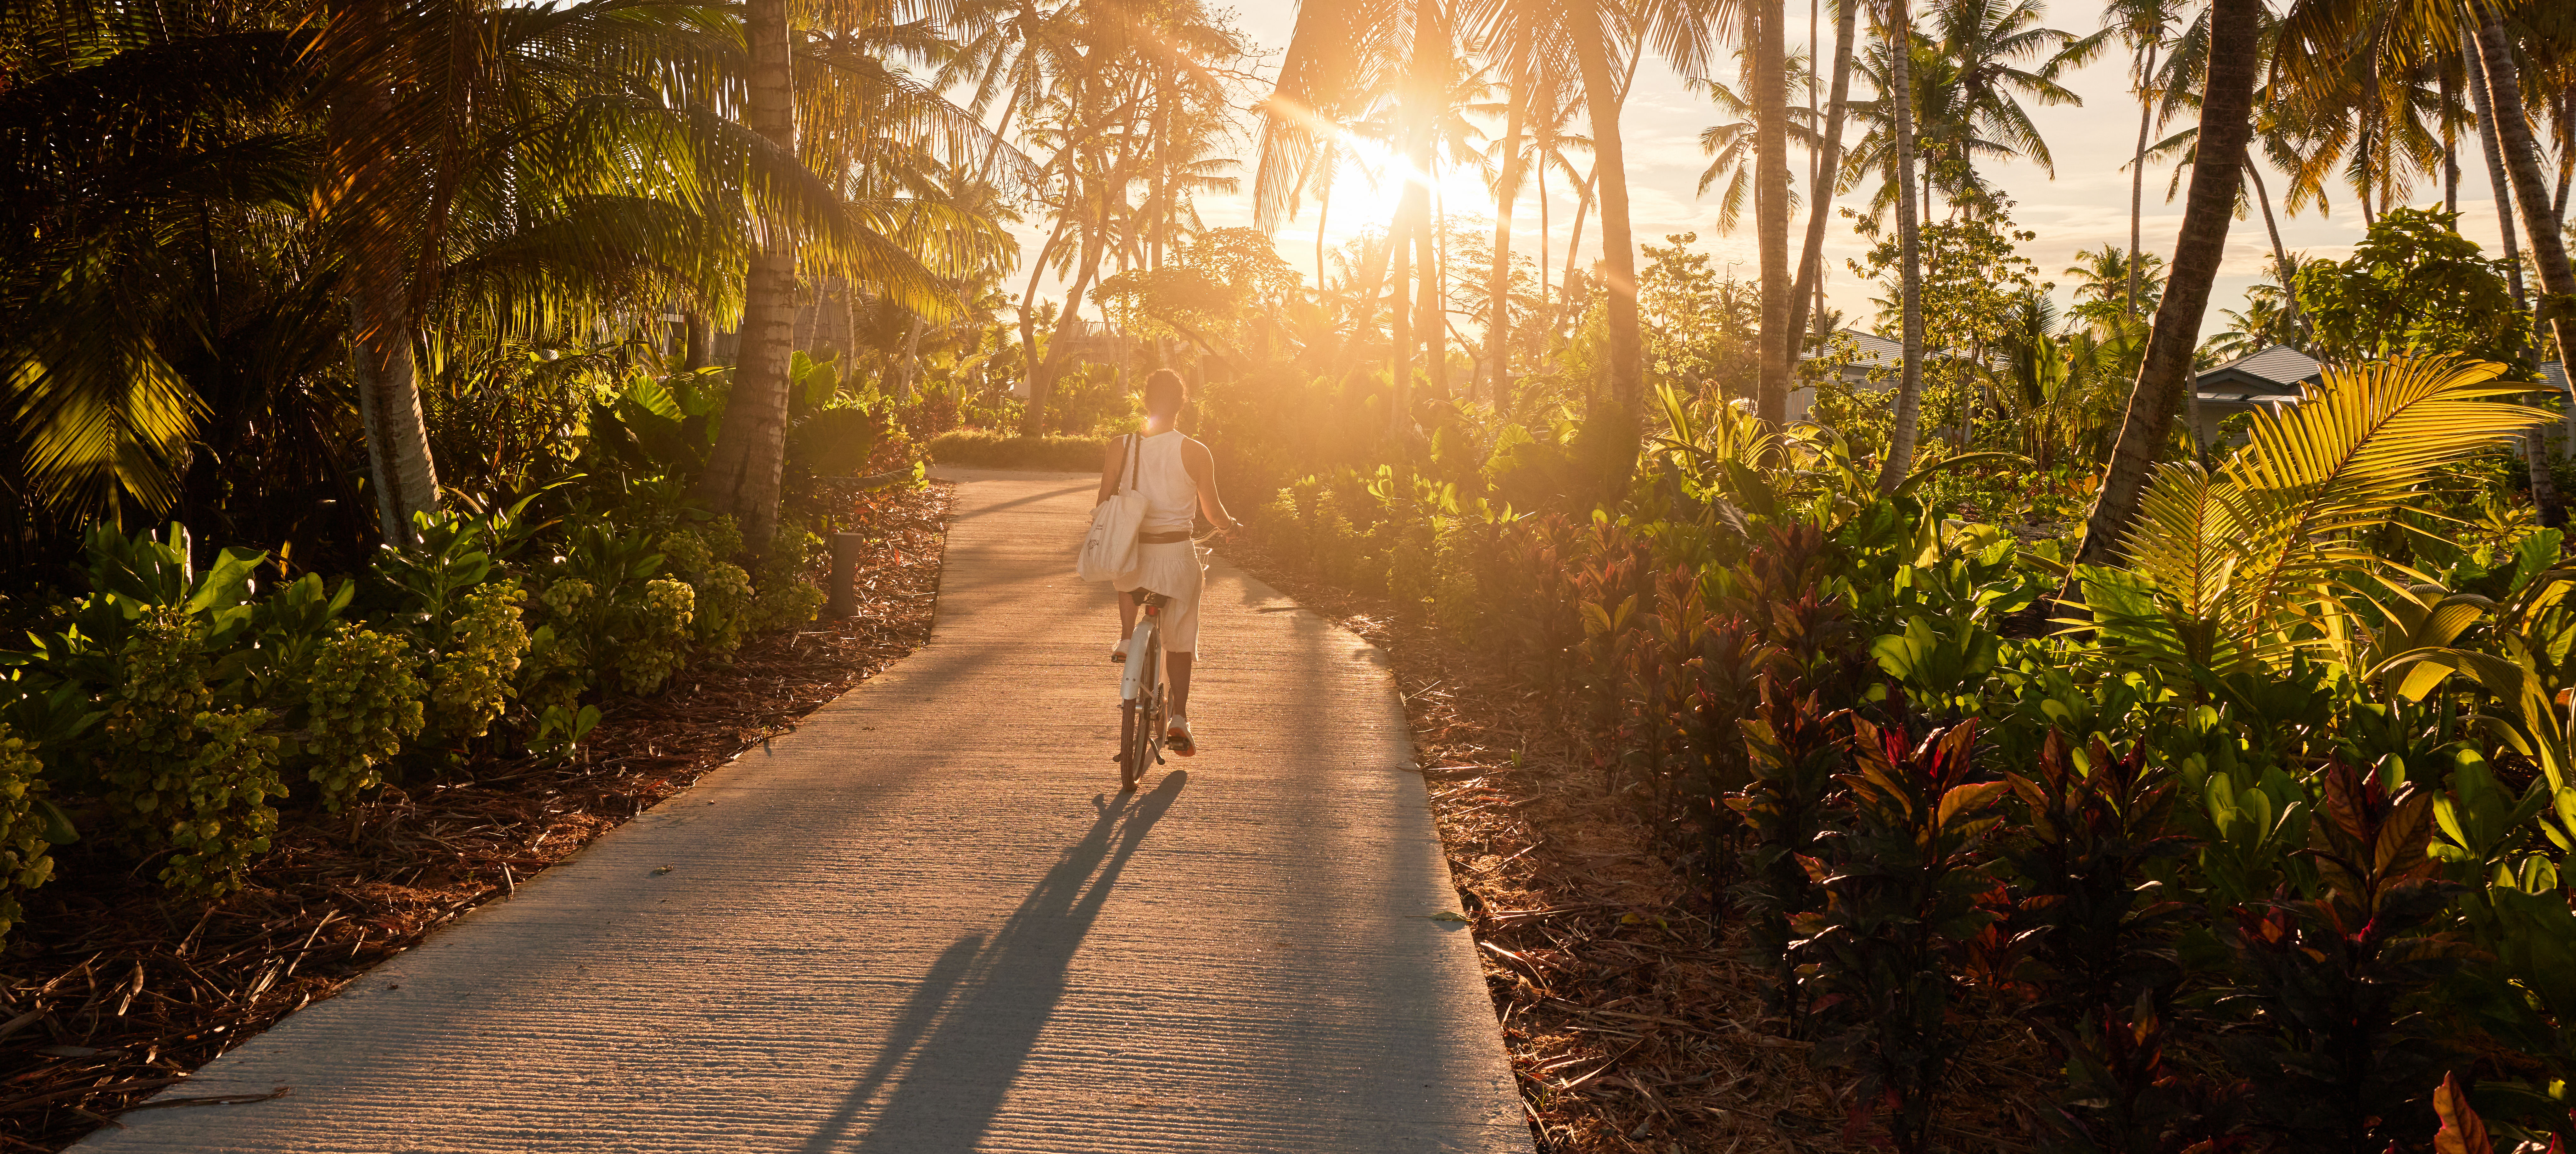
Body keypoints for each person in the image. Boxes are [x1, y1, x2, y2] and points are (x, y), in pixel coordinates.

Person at [1096, 367, 1241, 756]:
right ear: (1182, 404)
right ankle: (1179, 718)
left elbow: (1103, 503)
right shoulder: (1195, 451)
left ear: (1144, 400)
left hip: (1132, 552)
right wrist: (1229, 527)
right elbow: (1212, 512)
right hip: (1177, 556)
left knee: (1127, 577)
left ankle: (1128, 637)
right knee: (1178, 644)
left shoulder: (1120, 446)